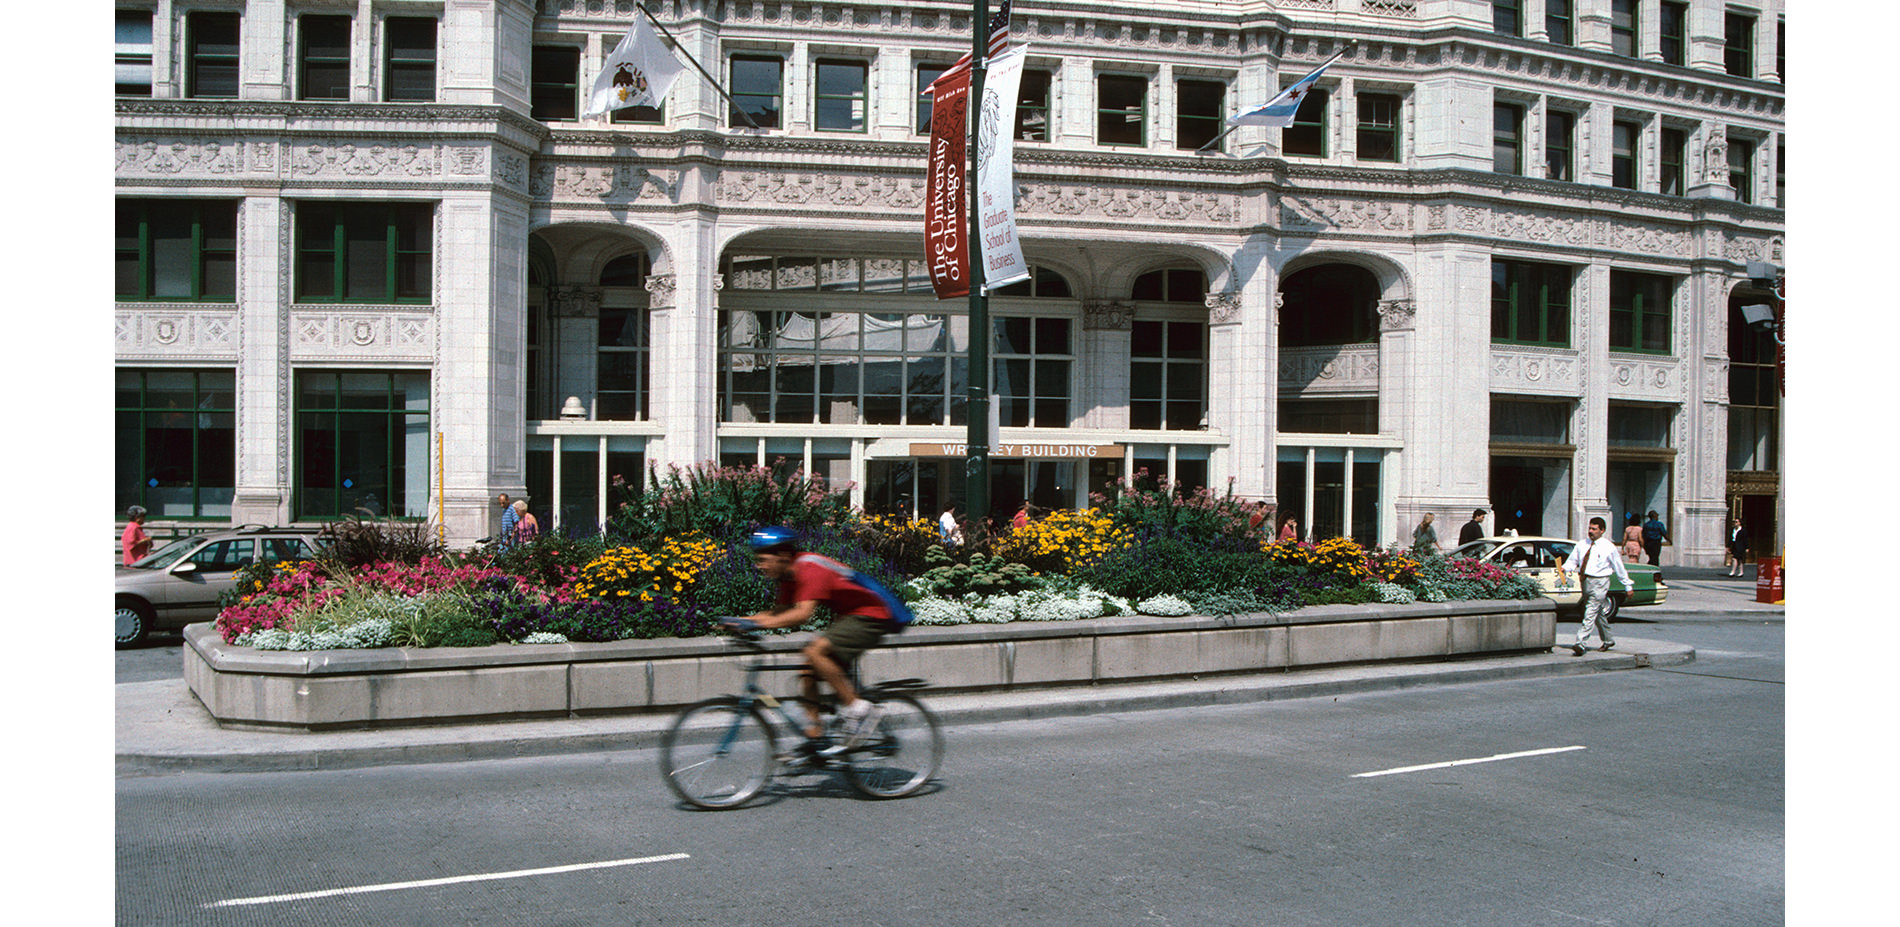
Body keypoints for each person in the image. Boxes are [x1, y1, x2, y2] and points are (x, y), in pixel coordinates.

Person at [724, 527, 901, 757]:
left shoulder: (809, 567)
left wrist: (756, 625)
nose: (759, 565)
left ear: (783, 556)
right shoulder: (788, 577)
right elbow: (777, 613)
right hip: (849, 616)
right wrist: (739, 621)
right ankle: (815, 738)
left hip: (872, 613)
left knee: (814, 651)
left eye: (763, 559)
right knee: (808, 669)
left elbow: (802, 614)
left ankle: (859, 709)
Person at [1556, 516, 1631, 656]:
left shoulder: (1609, 547)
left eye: (1594, 529)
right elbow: (1573, 560)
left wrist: (1627, 585)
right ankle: (1608, 639)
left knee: (1590, 611)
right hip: (1585, 580)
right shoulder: (1582, 544)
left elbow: (1619, 567)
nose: (1590, 531)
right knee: (1597, 612)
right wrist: (1565, 568)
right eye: (1589, 528)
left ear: (1602, 530)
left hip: (1600, 582)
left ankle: (1580, 642)